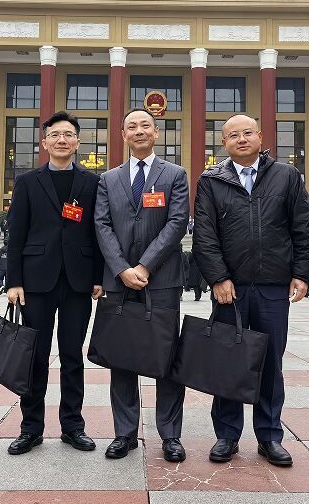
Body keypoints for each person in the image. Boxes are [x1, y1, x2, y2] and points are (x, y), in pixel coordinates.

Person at [193, 114, 309, 468]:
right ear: (224, 143)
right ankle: (227, 435)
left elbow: (304, 228)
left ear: (261, 136)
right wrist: (218, 278)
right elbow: (204, 234)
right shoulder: (211, 180)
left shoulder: (286, 176)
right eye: (233, 135)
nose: (242, 139)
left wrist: (301, 273)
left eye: (248, 133)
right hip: (229, 290)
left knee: (270, 363)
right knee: (228, 361)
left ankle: (269, 436)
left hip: (272, 288)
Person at [5, 111, 104, 456]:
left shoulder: (92, 182)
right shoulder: (27, 182)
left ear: (78, 142)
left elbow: (98, 232)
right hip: (36, 282)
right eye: (55, 135)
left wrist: (98, 277)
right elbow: (15, 235)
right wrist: (14, 281)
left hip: (78, 282)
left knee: (73, 356)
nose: (62, 140)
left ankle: (73, 427)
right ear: (44, 142)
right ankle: (30, 428)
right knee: (35, 356)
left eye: (68, 134)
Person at [94, 108, 189, 463]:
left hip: (161, 281)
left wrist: (145, 265)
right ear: (122, 134)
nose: (139, 131)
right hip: (120, 284)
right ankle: (125, 433)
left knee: (166, 356)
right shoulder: (108, 179)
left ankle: (170, 435)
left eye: (145, 126)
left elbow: (177, 222)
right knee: (122, 358)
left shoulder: (175, 175)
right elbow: (102, 225)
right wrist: (121, 269)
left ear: (157, 132)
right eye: (131, 126)